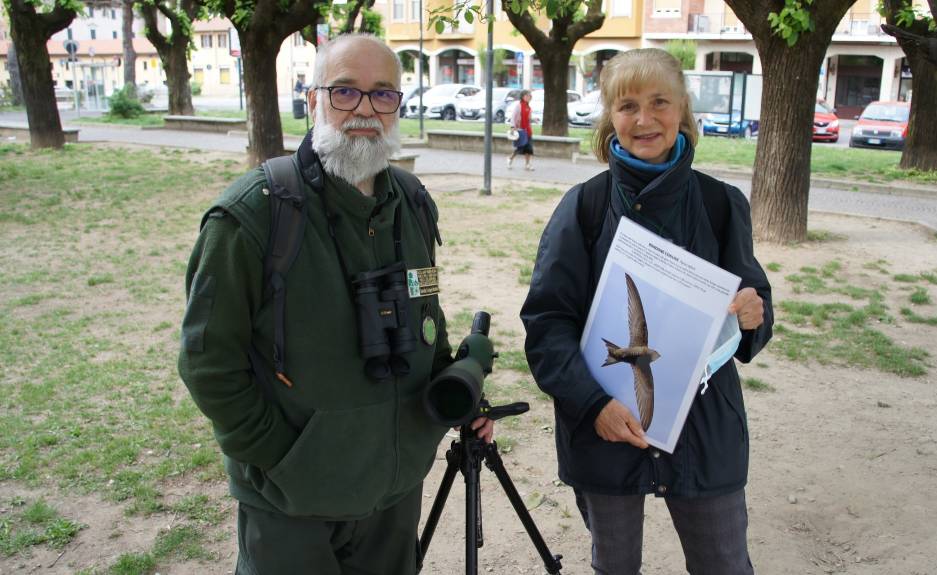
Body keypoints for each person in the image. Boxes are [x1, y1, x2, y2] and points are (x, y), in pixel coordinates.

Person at [178, 34, 493, 575]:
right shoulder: (252, 215)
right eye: (345, 91)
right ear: (313, 100)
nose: (366, 110)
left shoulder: (412, 203)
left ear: (399, 105)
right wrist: (282, 456)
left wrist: (451, 388)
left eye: (383, 94)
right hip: (292, 503)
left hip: (394, 491)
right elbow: (208, 362)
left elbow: (425, 317)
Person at [520, 48, 773, 575]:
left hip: (705, 431)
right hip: (604, 430)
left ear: (682, 110)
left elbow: (753, 305)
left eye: (659, 102)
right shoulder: (583, 207)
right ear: (609, 117)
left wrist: (753, 315)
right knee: (614, 566)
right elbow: (547, 326)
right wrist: (593, 406)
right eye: (627, 104)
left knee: (724, 564)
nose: (643, 119)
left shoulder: (721, 205)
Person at [506, 89, 535, 171]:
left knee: (529, 149)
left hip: (528, 131)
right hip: (520, 130)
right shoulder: (518, 106)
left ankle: (527, 164)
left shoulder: (528, 107)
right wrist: (512, 127)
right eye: (527, 95)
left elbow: (528, 119)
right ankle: (510, 159)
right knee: (519, 148)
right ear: (523, 97)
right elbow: (513, 117)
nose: (529, 97)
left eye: (530, 96)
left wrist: (533, 120)